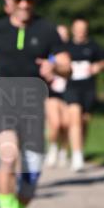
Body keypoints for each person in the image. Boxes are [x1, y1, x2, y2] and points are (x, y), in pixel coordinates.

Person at [0, 0, 70, 208]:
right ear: (8, 1)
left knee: (30, 181)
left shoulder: (47, 30)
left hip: (34, 108)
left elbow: (66, 64)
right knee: (7, 157)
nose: (24, 4)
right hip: (3, 102)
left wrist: (54, 67)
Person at [64, 17, 104, 172]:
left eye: (83, 29)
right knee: (74, 118)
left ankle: (79, 149)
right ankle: (77, 157)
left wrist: (98, 66)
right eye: (78, 28)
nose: (81, 32)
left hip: (88, 88)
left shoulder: (93, 46)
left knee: (84, 121)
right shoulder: (66, 47)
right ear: (73, 30)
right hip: (71, 87)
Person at [45, 24, 71, 168]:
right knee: (55, 123)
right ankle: (53, 148)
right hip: (51, 91)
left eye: (64, 34)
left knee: (66, 124)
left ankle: (63, 150)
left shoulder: (71, 51)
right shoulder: (49, 51)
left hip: (68, 91)